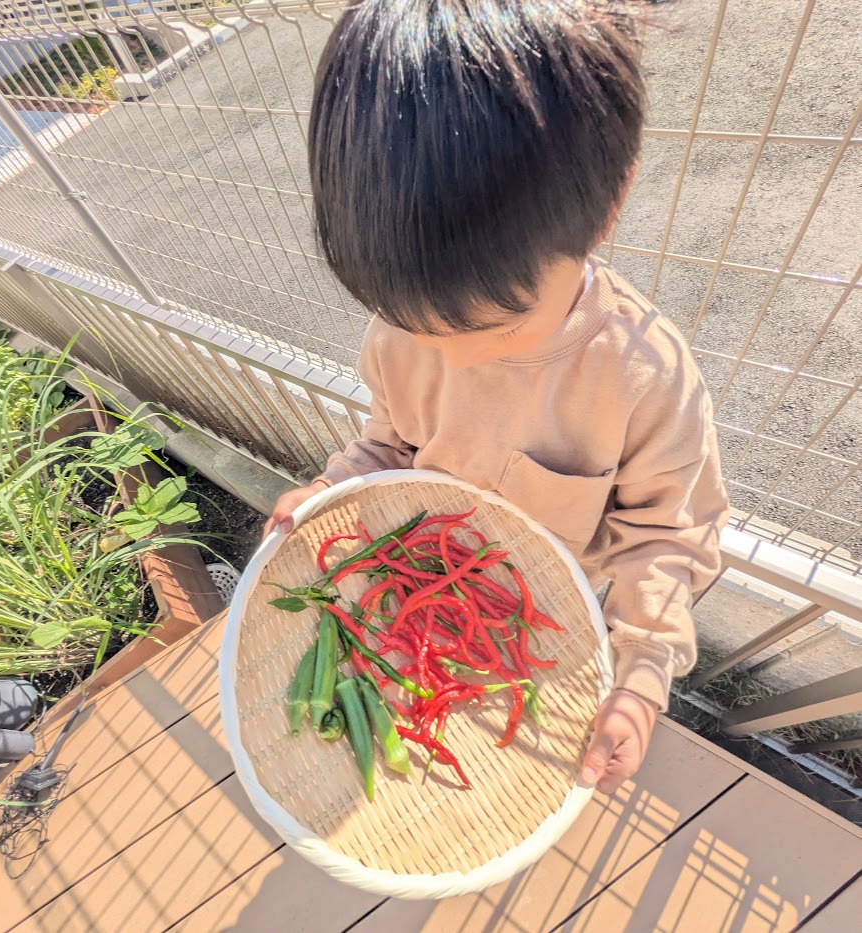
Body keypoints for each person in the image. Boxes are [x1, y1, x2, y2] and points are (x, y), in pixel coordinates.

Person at [265, 0, 728, 794]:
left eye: (494, 327)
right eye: (417, 325)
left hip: (538, 602)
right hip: (423, 586)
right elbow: (388, 443)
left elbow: (666, 539)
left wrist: (642, 676)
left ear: (608, 203)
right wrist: (332, 486)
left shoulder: (644, 376)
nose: (454, 358)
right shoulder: (396, 336)